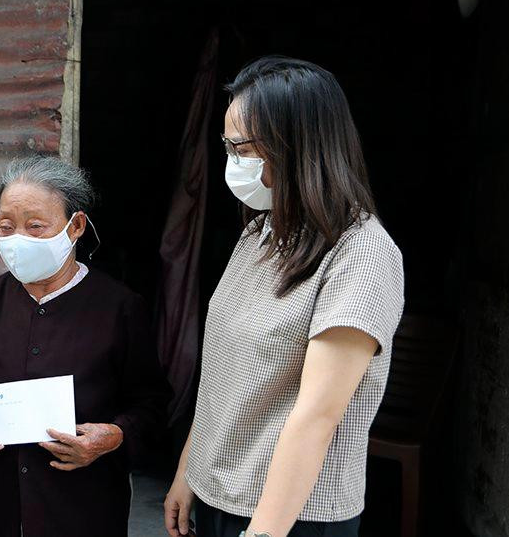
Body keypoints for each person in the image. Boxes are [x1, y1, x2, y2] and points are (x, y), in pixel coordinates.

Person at [163, 56, 405, 537]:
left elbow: (317, 415)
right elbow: (222, 378)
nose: (232, 160)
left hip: (292, 514)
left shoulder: (363, 255)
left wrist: (264, 531)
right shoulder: (259, 235)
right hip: (219, 494)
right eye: (226, 145)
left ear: (296, 147)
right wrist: (189, 471)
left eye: (242, 147)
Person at [0, 155, 171, 536]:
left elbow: (151, 404)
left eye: (36, 227)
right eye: (6, 227)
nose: (17, 240)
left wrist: (113, 436)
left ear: (75, 227)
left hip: (82, 509)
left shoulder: (119, 308)